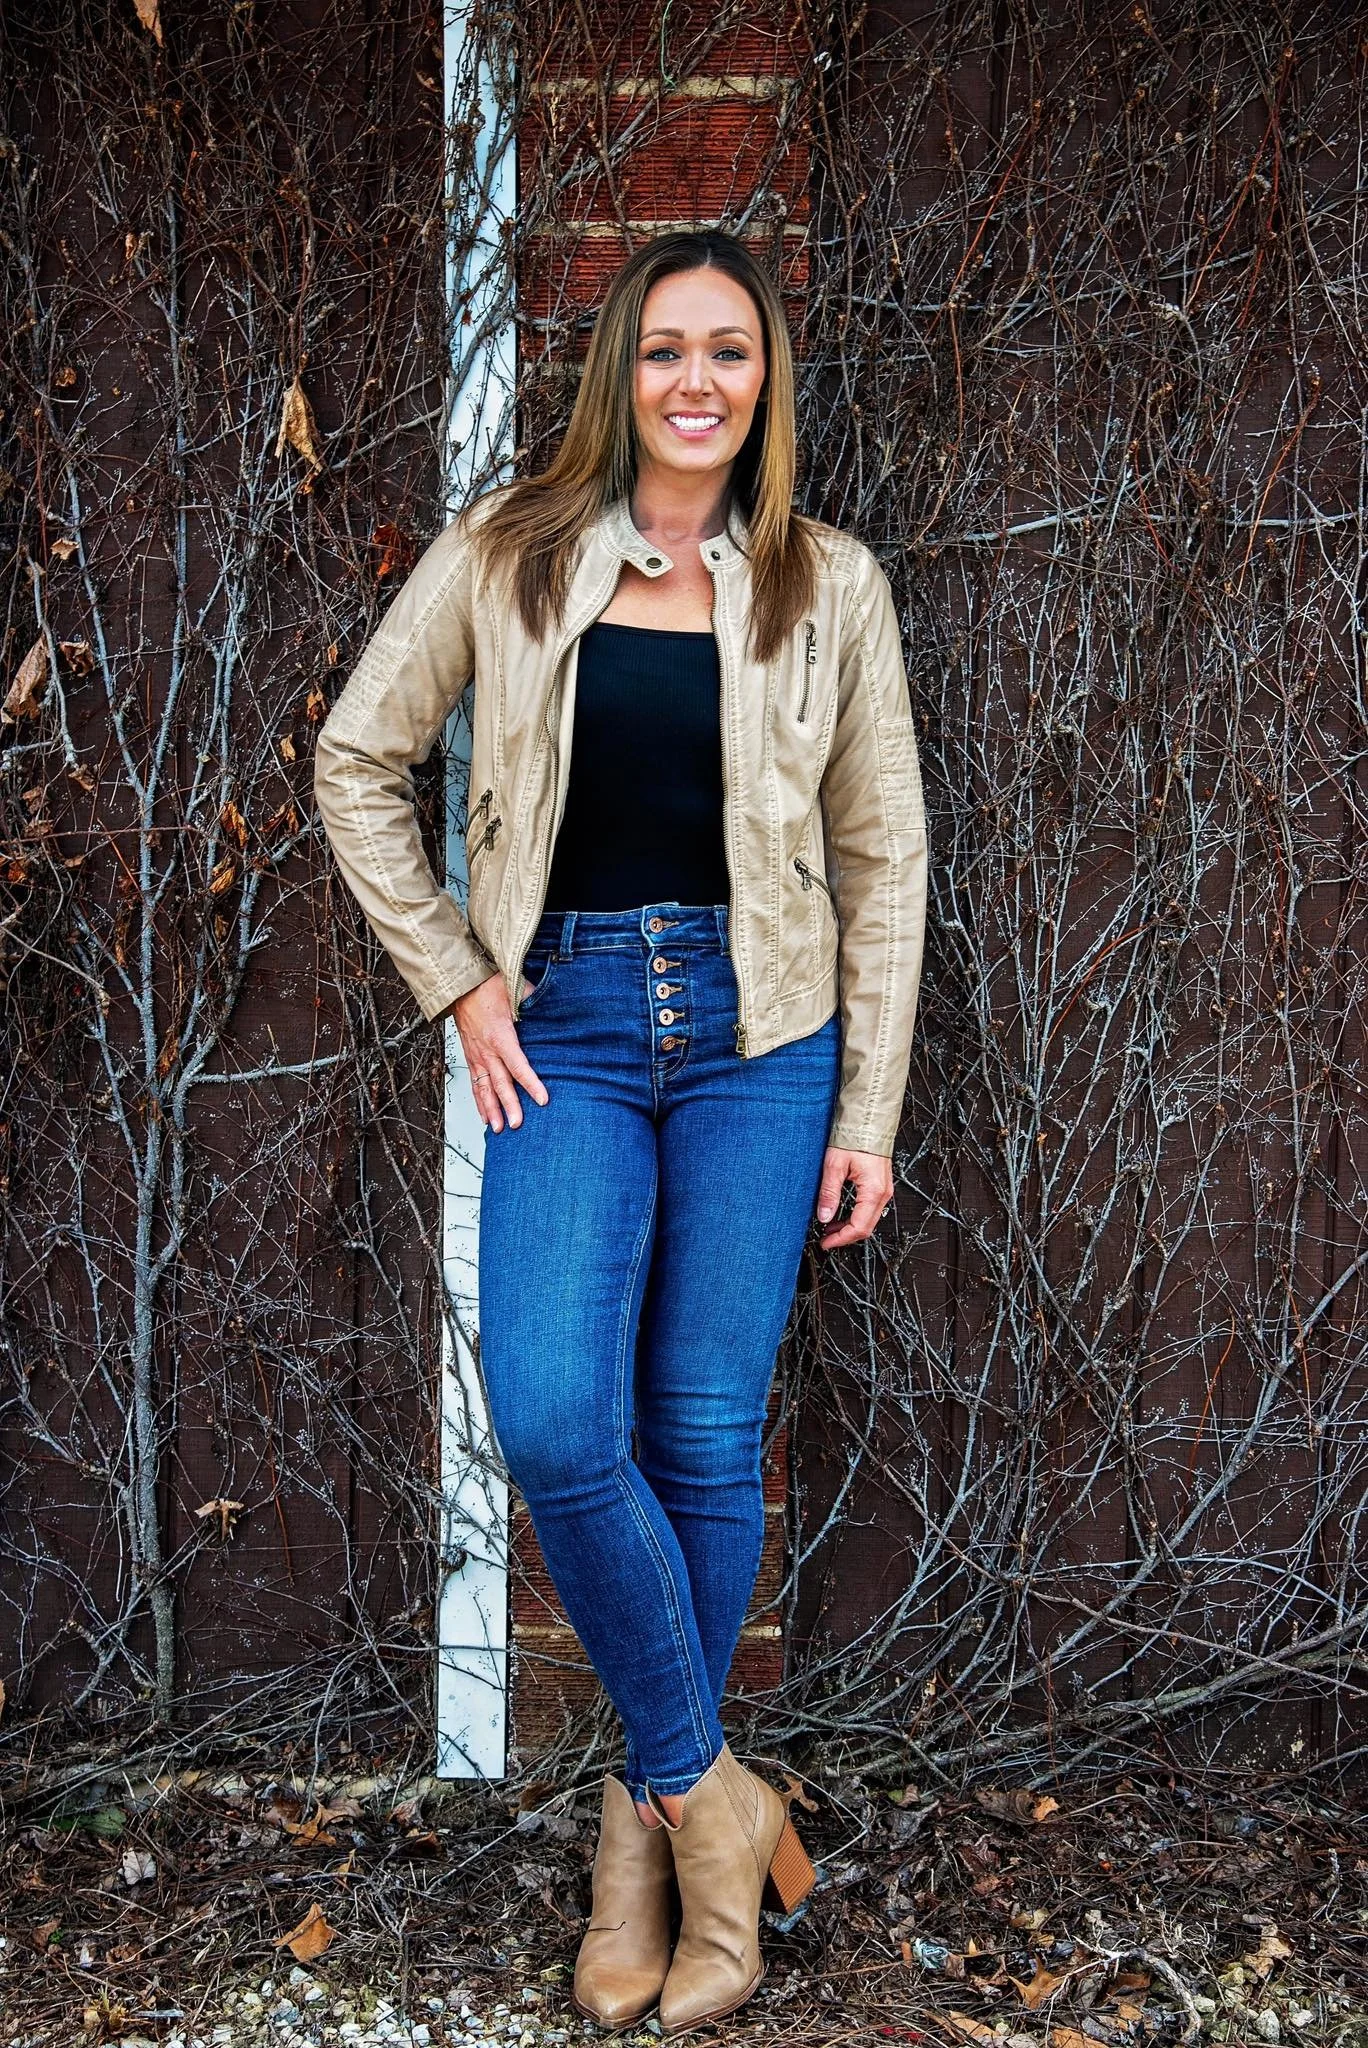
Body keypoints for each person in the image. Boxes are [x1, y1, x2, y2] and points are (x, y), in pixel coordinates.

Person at [313, 228, 929, 2035]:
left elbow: (885, 854)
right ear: (619, 373)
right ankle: (712, 1796)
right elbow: (356, 758)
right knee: (559, 1419)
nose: (696, 381)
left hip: (761, 1036)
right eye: (665, 349)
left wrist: (870, 1107)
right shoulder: (510, 556)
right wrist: (457, 980)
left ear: (765, 378)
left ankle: (642, 1851)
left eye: (729, 350)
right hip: (565, 1025)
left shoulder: (829, 585)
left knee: (705, 1431)